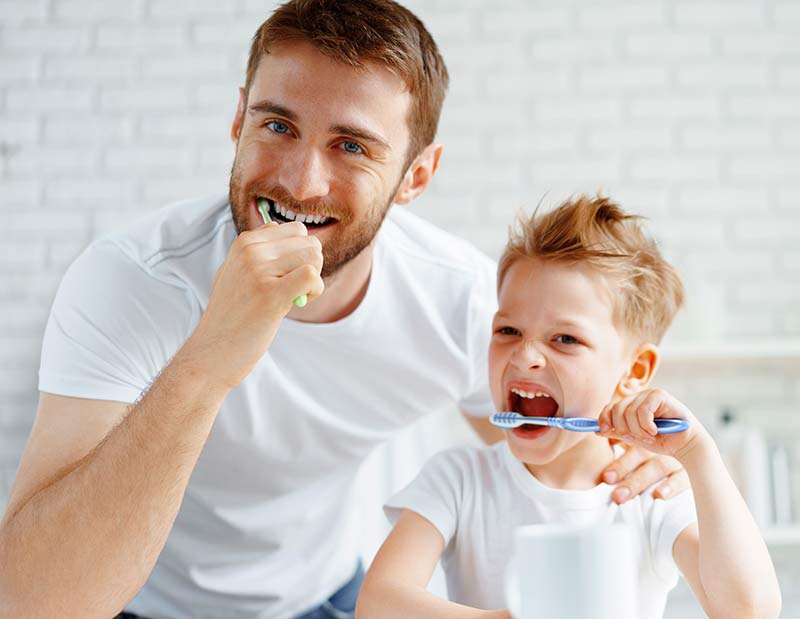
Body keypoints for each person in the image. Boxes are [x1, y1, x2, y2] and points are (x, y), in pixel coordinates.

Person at [0, 3, 689, 619]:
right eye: (277, 125)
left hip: (326, 596)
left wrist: (633, 465)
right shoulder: (130, 282)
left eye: (352, 145)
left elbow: (543, 445)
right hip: (132, 599)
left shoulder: (465, 303)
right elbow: (35, 603)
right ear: (238, 119)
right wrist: (209, 361)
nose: (300, 182)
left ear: (416, 175)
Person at [356, 195, 782, 619]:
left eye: (565, 339)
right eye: (508, 330)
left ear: (635, 370)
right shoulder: (459, 480)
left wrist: (698, 455)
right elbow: (378, 604)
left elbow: (749, 611)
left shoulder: (649, 496)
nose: (524, 356)